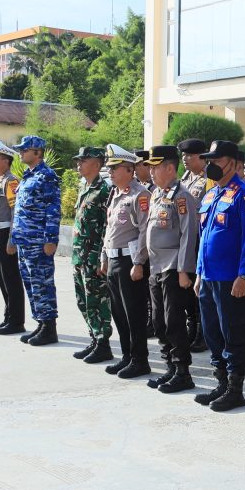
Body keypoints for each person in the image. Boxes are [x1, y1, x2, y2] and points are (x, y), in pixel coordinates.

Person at [190, 140, 245, 412]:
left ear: (232, 163)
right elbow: (203, 237)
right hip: (208, 276)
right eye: (209, 160)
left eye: (216, 161)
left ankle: (235, 389)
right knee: (212, 332)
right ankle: (220, 383)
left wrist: (244, 274)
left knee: (233, 332)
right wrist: (198, 272)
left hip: (231, 278)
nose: (211, 165)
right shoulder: (210, 195)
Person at [143, 145, 199, 393]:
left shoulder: (182, 196)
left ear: (169, 168)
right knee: (158, 321)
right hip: (156, 266)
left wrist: (184, 269)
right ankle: (170, 367)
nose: (151, 172)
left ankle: (182, 371)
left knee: (174, 320)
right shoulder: (157, 193)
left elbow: (188, 234)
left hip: (174, 266)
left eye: (155, 167)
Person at [100, 144, 152, 379]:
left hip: (130, 262)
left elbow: (144, 231)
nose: (110, 172)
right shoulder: (116, 193)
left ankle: (140, 360)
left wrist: (139, 263)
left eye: (115, 168)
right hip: (113, 260)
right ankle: (127, 356)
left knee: (134, 313)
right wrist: (104, 256)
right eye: (109, 168)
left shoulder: (140, 195)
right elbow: (109, 229)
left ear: (130, 170)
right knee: (119, 313)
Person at [7, 135, 61, 347]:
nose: (21, 153)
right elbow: (20, 210)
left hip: (39, 242)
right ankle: (40, 322)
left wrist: (51, 239)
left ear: (37, 152)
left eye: (25, 150)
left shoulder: (47, 176)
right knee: (31, 284)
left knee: (43, 284)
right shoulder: (28, 176)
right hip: (24, 241)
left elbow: (53, 209)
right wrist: (14, 238)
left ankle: (49, 327)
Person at [70, 147, 114, 363]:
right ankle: (94, 339)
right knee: (83, 301)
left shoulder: (104, 190)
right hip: (79, 256)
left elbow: (107, 227)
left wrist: (99, 258)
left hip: (93, 258)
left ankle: (103, 344)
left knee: (96, 301)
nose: (79, 164)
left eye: (83, 161)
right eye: (78, 160)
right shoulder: (84, 186)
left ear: (97, 164)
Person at [0, 138, 26, 335]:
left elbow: (15, 211)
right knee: (2, 278)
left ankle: (17, 321)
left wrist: (12, 239)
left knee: (11, 278)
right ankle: (8, 317)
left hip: (4, 233)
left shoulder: (11, 181)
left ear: (6, 161)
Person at [179, 139, 214, 354]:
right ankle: (192, 328)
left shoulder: (209, 179)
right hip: (187, 240)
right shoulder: (185, 178)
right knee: (188, 292)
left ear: (202, 157)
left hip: (201, 240)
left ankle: (203, 333)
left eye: (190, 156)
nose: (185, 159)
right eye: (184, 156)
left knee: (200, 290)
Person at [135, 149, 156, 337]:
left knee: (151, 288)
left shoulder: (154, 189)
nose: (135, 169)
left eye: (137, 165)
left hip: (152, 247)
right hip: (138, 245)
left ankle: (152, 321)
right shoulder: (138, 187)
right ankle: (147, 319)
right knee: (142, 288)